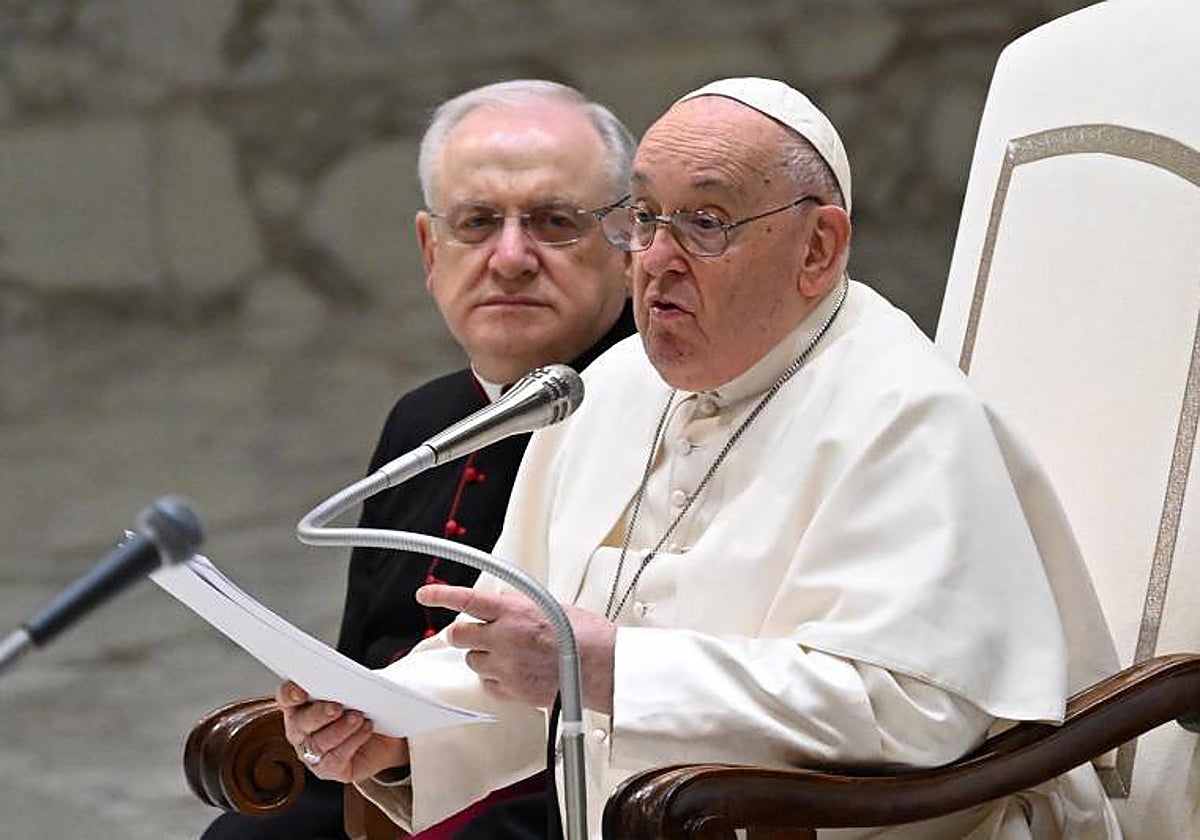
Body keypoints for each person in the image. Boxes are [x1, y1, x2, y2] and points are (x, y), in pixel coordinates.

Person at [278, 78, 1123, 839]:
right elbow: (511, 646)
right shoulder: (609, 389)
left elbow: (909, 712)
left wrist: (610, 667)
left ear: (818, 249)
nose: (657, 258)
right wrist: (394, 726)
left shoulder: (908, 417)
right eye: (643, 218)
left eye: (706, 222)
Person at [203, 79, 636, 840]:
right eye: (476, 223)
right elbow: (359, 665)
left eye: (553, 222)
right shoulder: (423, 420)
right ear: (430, 250)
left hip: (574, 796)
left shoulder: (664, 412)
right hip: (387, 779)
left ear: (628, 241)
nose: (510, 258)